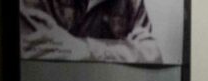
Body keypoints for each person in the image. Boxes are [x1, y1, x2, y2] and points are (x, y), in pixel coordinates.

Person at [19, 0, 162, 63]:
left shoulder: (131, 2)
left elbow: (152, 54)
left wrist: (88, 50)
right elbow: (35, 50)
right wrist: (123, 51)